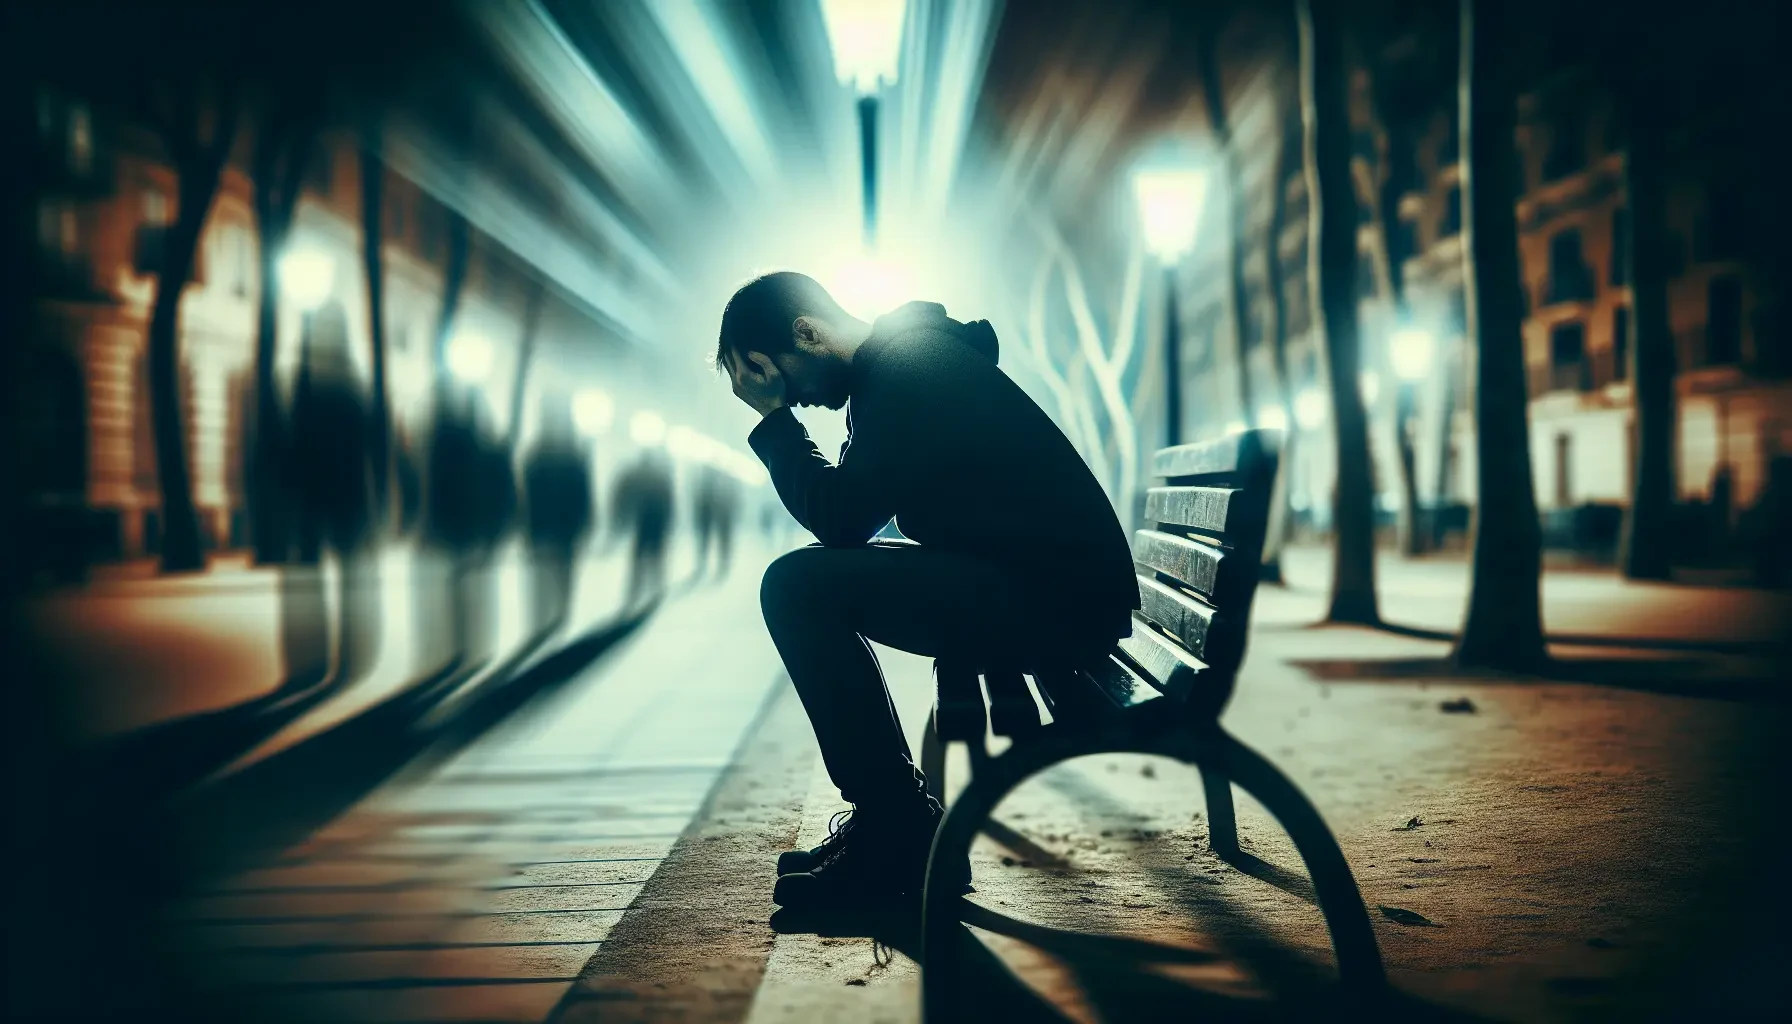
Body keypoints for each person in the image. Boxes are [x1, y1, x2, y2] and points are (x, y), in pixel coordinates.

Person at [715, 271, 1138, 910]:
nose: (795, 398)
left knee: (797, 586)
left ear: (808, 332)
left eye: (782, 378)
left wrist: (774, 423)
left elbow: (841, 519)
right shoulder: (902, 367)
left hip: (1056, 602)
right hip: (1045, 586)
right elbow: (852, 517)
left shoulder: (908, 371)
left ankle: (896, 831)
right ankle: (892, 821)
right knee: (805, 580)